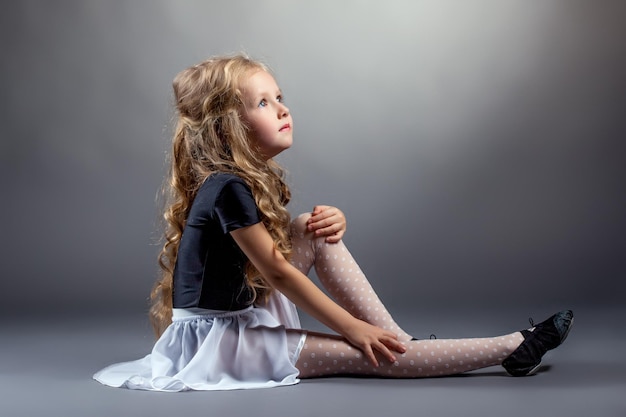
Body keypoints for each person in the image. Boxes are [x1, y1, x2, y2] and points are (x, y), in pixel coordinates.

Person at [93, 55, 573, 391]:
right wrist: (352, 328)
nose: (282, 108)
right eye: (262, 103)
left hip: (240, 313)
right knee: (369, 357)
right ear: (227, 127)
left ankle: (400, 343)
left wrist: (333, 223)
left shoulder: (238, 182)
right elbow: (278, 273)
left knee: (309, 226)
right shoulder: (226, 187)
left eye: (279, 97)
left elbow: (276, 255)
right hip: (224, 344)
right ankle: (514, 346)